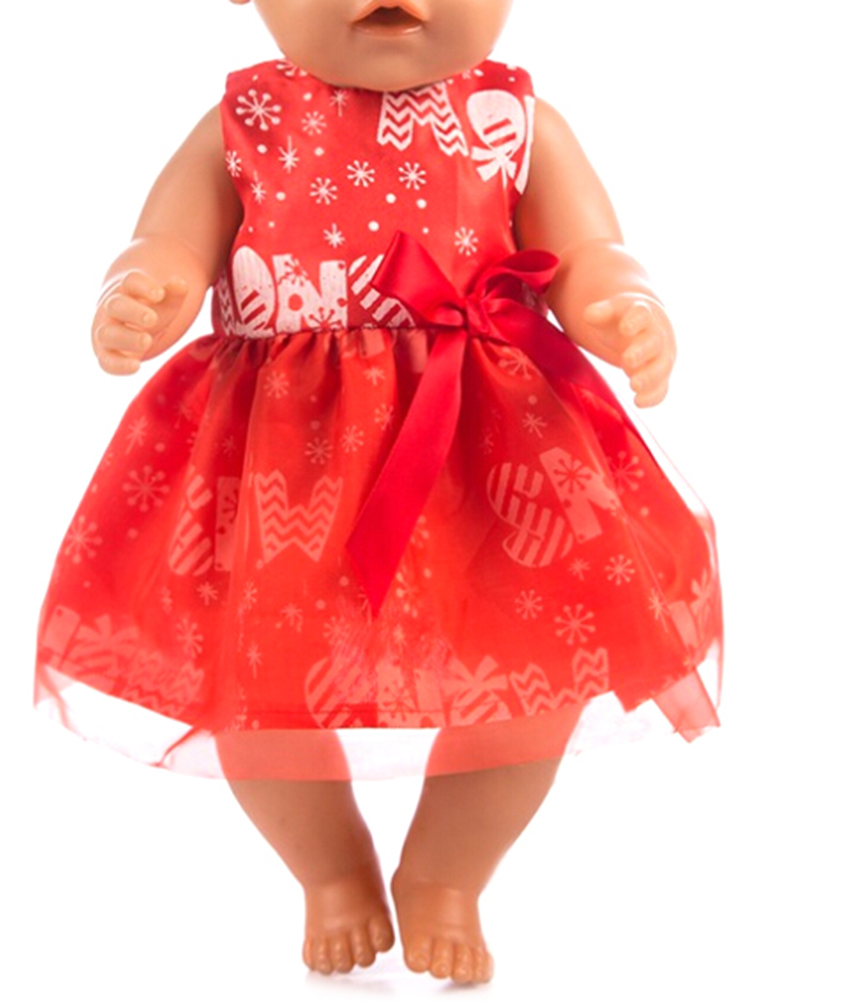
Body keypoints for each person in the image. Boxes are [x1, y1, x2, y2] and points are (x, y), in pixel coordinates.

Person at [36, 0, 722, 983]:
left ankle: (448, 870)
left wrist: (621, 302)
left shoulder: (516, 121)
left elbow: (587, 251)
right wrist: (144, 287)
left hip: (490, 452)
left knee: (542, 672)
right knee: (257, 691)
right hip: (284, 461)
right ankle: (328, 869)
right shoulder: (243, 124)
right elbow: (168, 242)